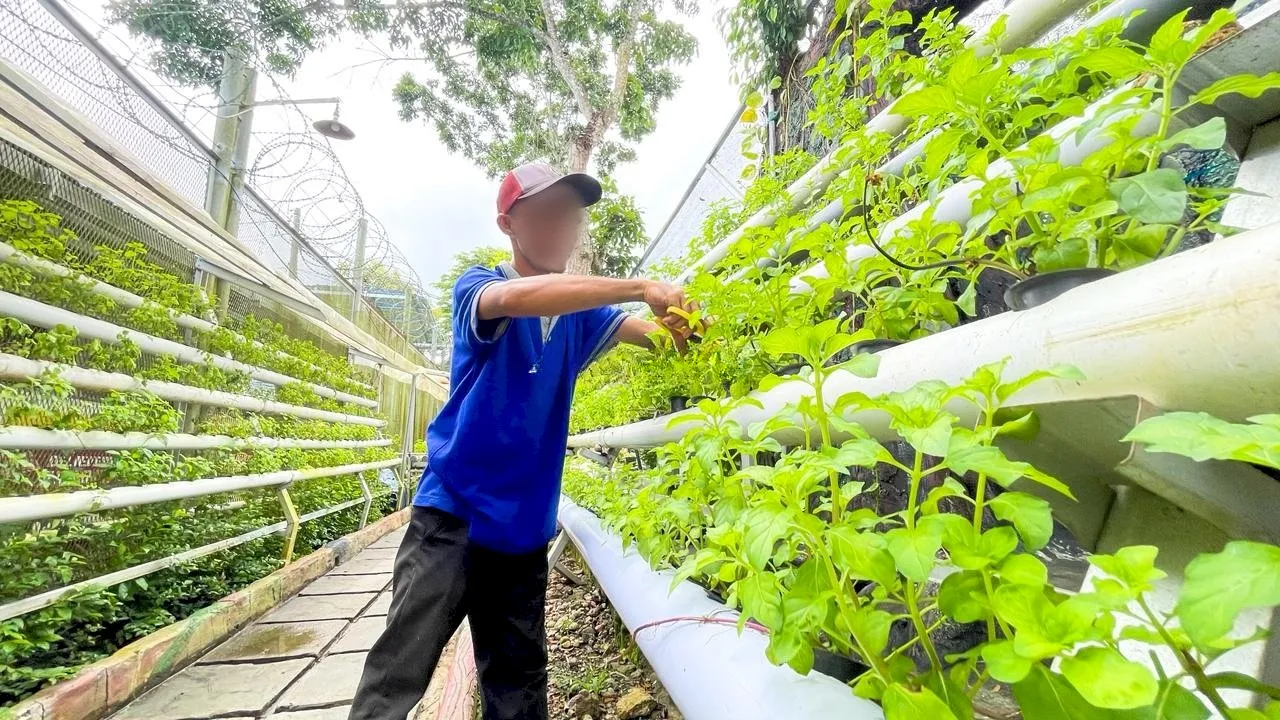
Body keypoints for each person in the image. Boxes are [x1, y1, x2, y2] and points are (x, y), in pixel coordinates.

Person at [348, 162, 697, 720]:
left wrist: (686, 324)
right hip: (453, 517)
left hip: (523, 529)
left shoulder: (584, 317)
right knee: (398, 672)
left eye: (571, 216)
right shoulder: (480, 287)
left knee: (519, 687)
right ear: (509, 224)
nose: (563, 226)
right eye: (547, 213)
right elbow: (518, 299)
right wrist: (642, 286)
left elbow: (655, 336)